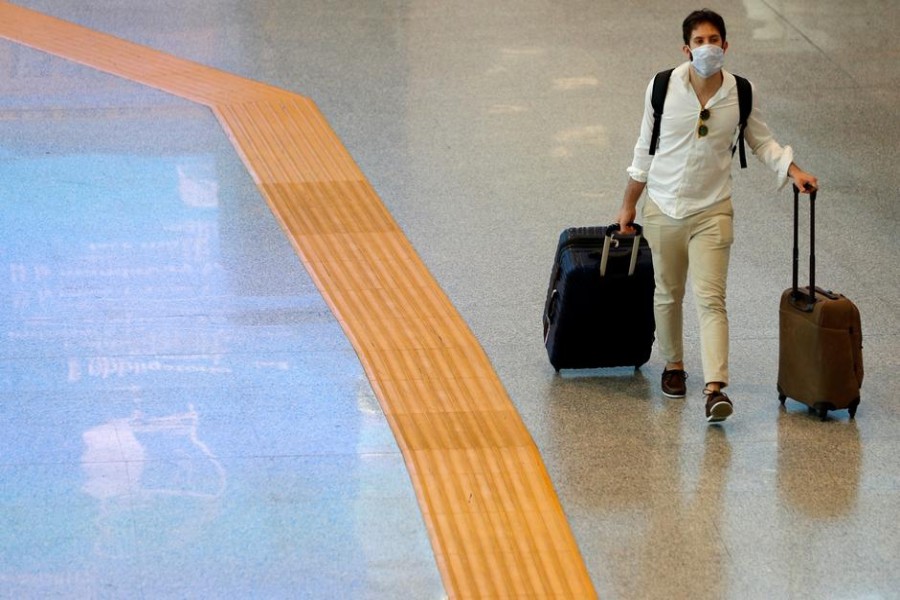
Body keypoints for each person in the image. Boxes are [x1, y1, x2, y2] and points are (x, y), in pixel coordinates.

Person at [616, 8, 818, 423]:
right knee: (668, 294)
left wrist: (794, 171)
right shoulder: (661, 88)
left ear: (726, 46)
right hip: (664, 206)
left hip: (713, 210)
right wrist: (628, 204)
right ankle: (673, 366)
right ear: (686, 48)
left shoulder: (740, 92)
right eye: (699, 41)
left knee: (711, 299)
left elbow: (761, 141)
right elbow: (644, 150)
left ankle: (715, 389)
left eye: (714, 41)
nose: (707, 48)